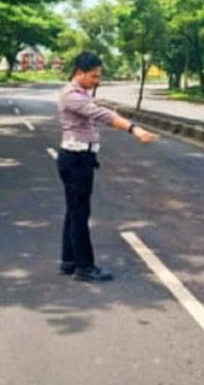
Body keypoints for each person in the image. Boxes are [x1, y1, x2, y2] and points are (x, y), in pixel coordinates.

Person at [57, 51, 158, 282]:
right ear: (79, 73)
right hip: (76, 159)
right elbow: (100, 114)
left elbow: (99, 111)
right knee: (80, 214)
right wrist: (134, 129)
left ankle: (69, 261)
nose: (97, 81)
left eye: (98, 76)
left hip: (79, 158)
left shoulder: (79, 93)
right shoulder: (71, 96)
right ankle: (85, 267)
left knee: (73, 211)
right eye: (93, 76)